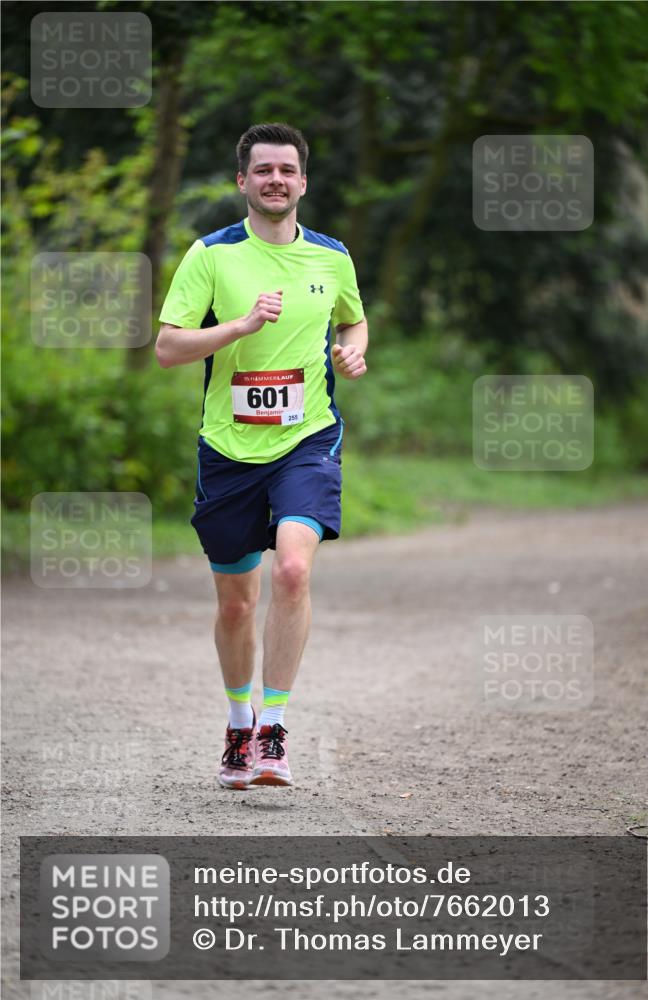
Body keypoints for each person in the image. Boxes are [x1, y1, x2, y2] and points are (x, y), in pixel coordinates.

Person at [155, 123, 368, 790]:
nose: (275, 179)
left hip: (306, 439)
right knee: (236, 607)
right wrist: (240, 327)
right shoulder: (211, 256)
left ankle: (274, 728)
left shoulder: (332, 257)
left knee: (294, 572)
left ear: (303, 181)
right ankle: (238, 721)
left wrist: (354, 347)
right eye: (262, 170)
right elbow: (167, 347)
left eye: (287, 169)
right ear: (242, 182)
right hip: (227, 448)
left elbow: (352, 317)